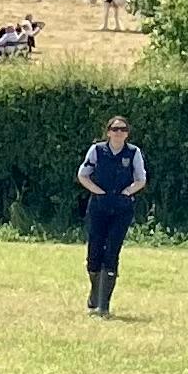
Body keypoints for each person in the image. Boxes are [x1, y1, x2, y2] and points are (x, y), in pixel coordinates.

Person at [76, 114, 145, 315]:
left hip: (122, 209)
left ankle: (104, 305)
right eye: (115, 129)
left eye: (123, 129)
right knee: (94, 253)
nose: (119, 133)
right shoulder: (97, 150)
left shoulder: (133, 153)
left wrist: (127, 192)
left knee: (112, 252)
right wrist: (98, 192)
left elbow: (141, 179)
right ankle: (95, 293)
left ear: (127, 134)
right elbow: (83, 175)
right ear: (108, 132)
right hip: (98, 207)